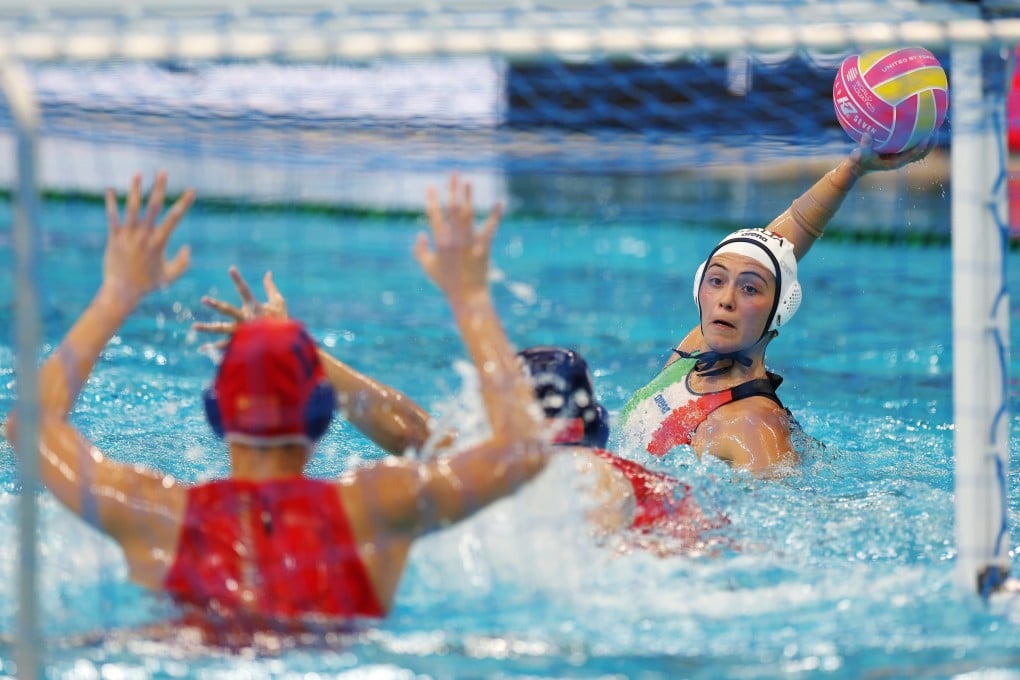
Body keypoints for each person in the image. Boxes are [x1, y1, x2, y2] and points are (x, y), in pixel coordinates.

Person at [3, 171, 551, 642]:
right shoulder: (378, 505)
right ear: (322, 414)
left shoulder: (155, 515)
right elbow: (523, 450)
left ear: (216, 416)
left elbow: (28, 426)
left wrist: (116, 293)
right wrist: (470, 296)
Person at [197, 180, 727, 555]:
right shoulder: (646, 486)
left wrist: (294, 348)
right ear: (597, 428)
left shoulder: (509, 473)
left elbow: (412, 433)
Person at [618, 136, 937, 474]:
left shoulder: (754, 427)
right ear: (700, 289)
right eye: (716, 281)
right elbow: (782, 243)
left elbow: (779, 523)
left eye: (750, 289)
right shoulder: (695, 350)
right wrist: (853, 168)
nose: (726, 299)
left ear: (779, 309)